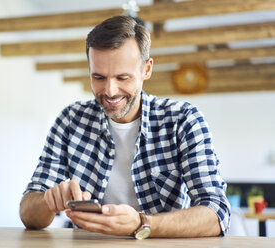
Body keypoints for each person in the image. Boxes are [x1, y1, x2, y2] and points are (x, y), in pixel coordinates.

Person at [20, 15, 231, 238]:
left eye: (123, 77)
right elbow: (27, 213)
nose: (110, 91)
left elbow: (217, 213)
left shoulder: (183, 120)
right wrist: (49, 201)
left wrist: (142, 223)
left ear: (146, 69)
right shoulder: (70, 121)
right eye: (99, 77)